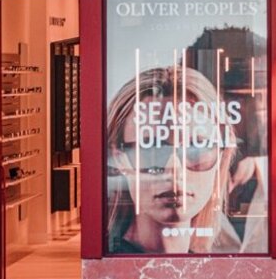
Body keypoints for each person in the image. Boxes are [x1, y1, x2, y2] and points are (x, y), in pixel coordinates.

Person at [106, 66, 266, 254]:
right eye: (152, 147)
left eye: (196, 148)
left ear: (221, 153)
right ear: (119, 157)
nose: (174, 169)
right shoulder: (110, 271)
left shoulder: (202, 264)